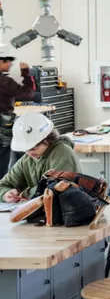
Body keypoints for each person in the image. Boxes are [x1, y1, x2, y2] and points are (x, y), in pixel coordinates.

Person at [0, 114, 78, 203]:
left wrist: (24, 193)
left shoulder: (62, 152)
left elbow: (57, 187)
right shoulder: (27, 159)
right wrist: (5, 194)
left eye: (33, 148)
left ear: (47, 140)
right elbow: (3, 185)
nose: (29, 153)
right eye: (25, 149)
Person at [0, 46, 37, 177]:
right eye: (7, 61)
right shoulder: (3, 81)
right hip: (2, 124)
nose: (10, 64)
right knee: (3, 160)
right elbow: (28, 93)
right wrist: (26, 74)